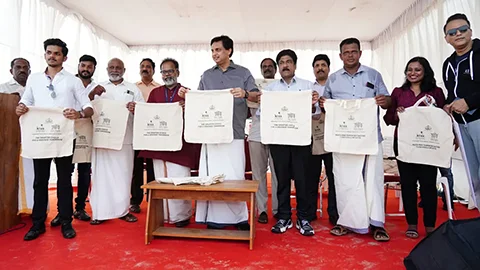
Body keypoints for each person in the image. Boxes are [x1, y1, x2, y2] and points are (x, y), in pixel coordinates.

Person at [178, 35, 260, 230]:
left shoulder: (243, 73)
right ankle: (212, 218)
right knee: (212, 177)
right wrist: (186, 95)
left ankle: (239, 218)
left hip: (234, 133)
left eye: (218, 50)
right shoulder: (206, 75)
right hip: (210, 134)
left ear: (229, 51)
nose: (215, 53)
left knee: (234, 176)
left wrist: (246, 93)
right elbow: (198, 100)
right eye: (212, 50)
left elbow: (257, 96)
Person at [17, 38, 93, 240]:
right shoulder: (34, 79)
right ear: (45, 55)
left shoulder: (73, 81)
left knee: (64, 181)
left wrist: (79, 114)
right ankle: (37, 223)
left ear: (64, 57)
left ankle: (66, 221)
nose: (52, 56)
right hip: (40, 137)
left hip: (65, 137)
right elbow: (26, 101)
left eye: (57, 53)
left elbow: (88, 107)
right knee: (39, 181)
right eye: (49, 52)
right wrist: (21, 107)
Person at [320, 37, 391, 242]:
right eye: (346, 52)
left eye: (354, 51)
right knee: (345, 181)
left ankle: (377, 224)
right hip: (343, 139)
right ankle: (348, 222)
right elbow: (325, 108)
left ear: (360, 53)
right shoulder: (333, 79)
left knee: (372, 180)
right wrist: (325, 104)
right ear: (340, 55)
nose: (350, 55)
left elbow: (387, 102)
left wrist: (384, 100)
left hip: (369, 138)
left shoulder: (373, 75)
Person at [384, 56, 446, 238]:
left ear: (425, 71)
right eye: (409, 69)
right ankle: (411, 224)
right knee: (408, 185)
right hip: (403, 144)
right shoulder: (398, 93)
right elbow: (388, 120)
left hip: (428, 145)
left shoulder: (435, 93)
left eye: (417, 69)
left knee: (428, 185)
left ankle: (430, 225)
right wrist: (396, 114)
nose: (412, 73)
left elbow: (443, 118)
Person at [139, 58, 201, 227]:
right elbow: (149, 115)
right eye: (164, 72)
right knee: (161, 178)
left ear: (177, 72)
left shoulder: (187, 92)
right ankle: (163, 215)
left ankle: (182, 216)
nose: (167, 75)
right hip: (159, 143)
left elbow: (197, 114)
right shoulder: (155, 93)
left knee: (180, 179)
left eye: (170, 71)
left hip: (181, 144)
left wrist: (187, 105)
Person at [266, 49, 319, 236]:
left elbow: (317, 113)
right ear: (278, 67)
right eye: (281, 62)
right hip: (278, 141)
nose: (285, 65)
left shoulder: (307, 86)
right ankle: (284, 217)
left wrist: (313, 104)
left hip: (301, 141)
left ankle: (303, 218)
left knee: (302, 180)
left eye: (289, 61)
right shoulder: (270, 90)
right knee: (282, 181)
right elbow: (262, 114)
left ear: (295, 65)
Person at [88, 58, 144, 225]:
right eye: (111, 67)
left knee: (124, 176)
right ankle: (99, 212)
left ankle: (123, 211)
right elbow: (86, 106)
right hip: (102, 139)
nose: (114, 70)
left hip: (125, 139)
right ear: (106, 69)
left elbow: (143, 110)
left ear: (124, 70)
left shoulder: (132, 89)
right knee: (100, 177)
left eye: (118, 67)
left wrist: (136, 109)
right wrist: (92, 95)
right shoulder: (98, 87)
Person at [50, 54, 102, 226]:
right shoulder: (67, 82)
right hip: (67, 128)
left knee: (85, 170)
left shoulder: (99, 87)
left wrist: (95, 96)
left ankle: (80, 207)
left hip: (87, 127)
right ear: (78, 66)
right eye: (83, 65)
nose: (85, 69)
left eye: (89, 66)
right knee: (65, 172)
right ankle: (61, 211)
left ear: (94, 69)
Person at [442, 13, 480, 207]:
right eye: (452, 32)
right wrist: (449, 106)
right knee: (474, 177)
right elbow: (452, 93)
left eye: (463, 29)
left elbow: (467, 99)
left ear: (471, 31)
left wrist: (470, 102)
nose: (458, 34)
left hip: (478, 120)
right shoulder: (448, 64)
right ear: (447, 38)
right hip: (461, 125)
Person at [249, 57, 279, 224]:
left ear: (275, 69)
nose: (267, 69)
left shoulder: (281, 87)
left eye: (270, 66)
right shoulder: (253, 87)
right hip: (256, 135)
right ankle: (261, 210)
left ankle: (277, 209)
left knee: (277, 174)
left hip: (277, 136)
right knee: (258, 175)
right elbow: (249, 105)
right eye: (264, 66)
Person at [309, 54, 338, 225]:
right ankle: (310, 212)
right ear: (313, 69)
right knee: (310, 177)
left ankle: (334, 213)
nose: (320, 68)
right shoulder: (308, 88)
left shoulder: (336, 86)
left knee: (334, 177)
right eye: (317, 65)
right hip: (313, 138)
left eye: (323, 65)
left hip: (333, 138)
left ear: (328, 68)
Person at [130, 58, 158, 213]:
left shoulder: (160, 88)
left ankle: (153, 199)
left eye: (148, 66)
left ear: (153, 70)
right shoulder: (132, 88)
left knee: (154, 167)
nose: (145, 69)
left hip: (155, 134)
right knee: (137, 167)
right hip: (137, 132)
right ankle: (135, 200)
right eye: (142, 66)